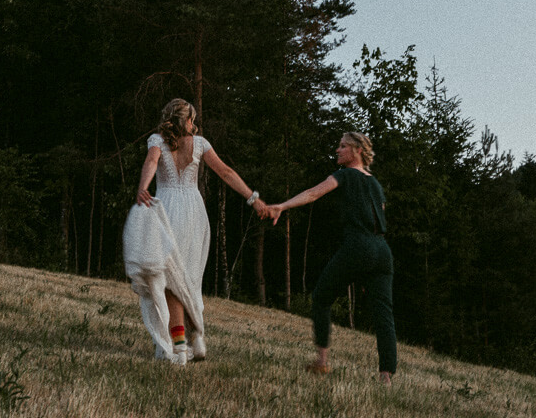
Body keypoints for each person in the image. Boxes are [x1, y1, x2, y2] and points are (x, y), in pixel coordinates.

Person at [123, 97, 265, 364]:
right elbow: (225, 172)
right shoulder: (200, 144)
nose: (194, 124)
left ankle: (179, 346)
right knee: (187, 277)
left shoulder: (157, 141)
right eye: (192, 119)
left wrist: (143, 187)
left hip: (166, 208)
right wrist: (253, 198)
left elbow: (152, 163)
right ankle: (196, 339)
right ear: (184, 120)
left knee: (170, 278)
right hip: (193, 211)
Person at [266, 131, 396, 384]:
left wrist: (281, 206)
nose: (337, 150)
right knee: (384, 314)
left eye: (343, 146)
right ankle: (386, 376)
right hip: (383, 250)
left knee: (322, 297)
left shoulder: (345, 175)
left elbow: (314, 193)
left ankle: (322, 362)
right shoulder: (376, 183)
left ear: (358, 150)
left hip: (358, 246)